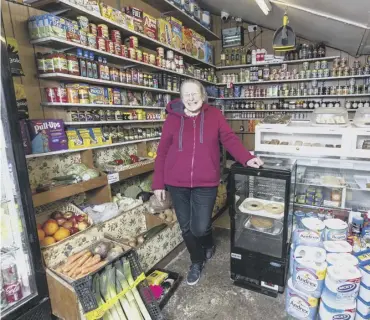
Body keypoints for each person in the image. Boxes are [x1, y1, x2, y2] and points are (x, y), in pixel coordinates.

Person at [152, 79, 263, 285]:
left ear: (203, 96)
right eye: (187, 94)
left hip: (206, 181)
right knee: (186, 227)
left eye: (195, 94)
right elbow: (162, 152)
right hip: (177, 183)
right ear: (181, 97)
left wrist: (246, 158)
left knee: (200, 227)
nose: (191, 98)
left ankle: (208, 241)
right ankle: (196, 260)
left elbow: (229, 139)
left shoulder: (214, 116)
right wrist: (159, 183)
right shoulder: (172, 120)